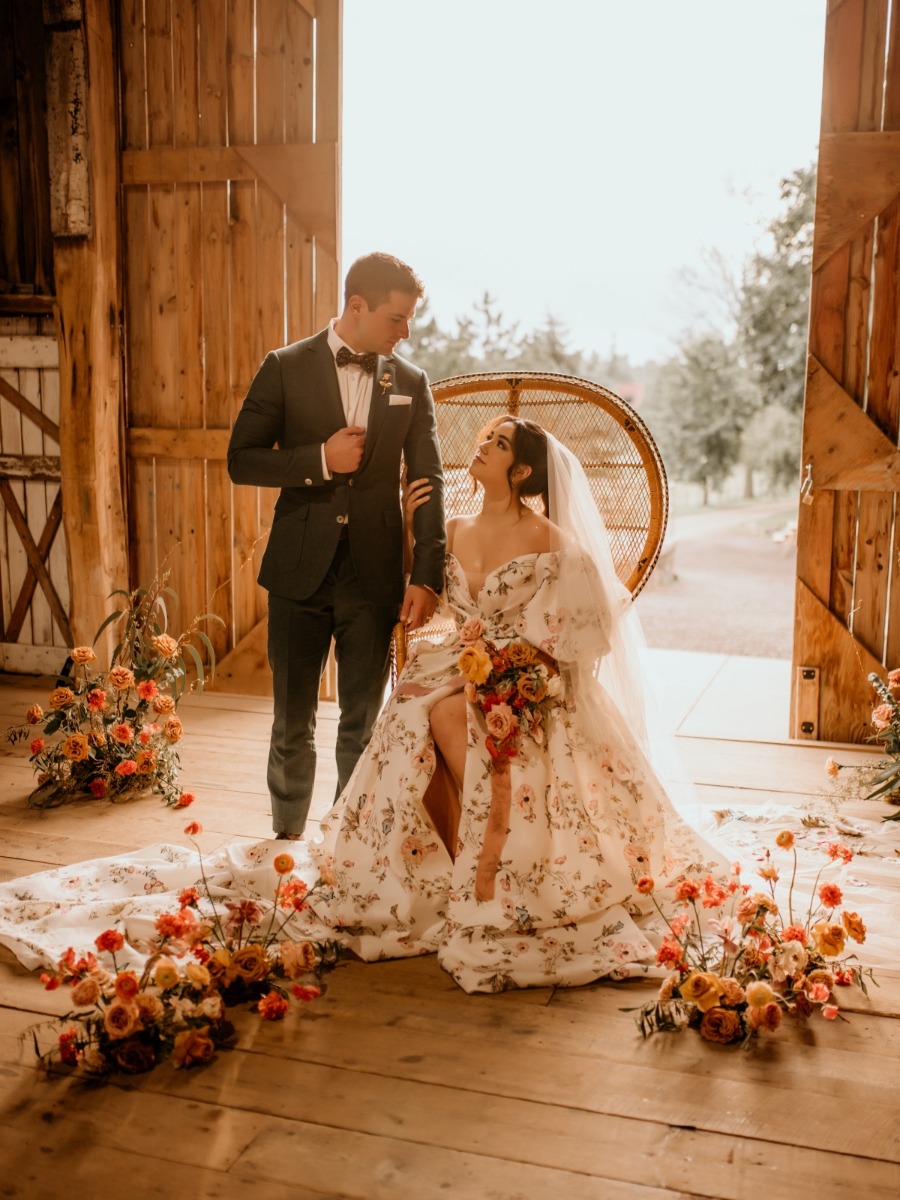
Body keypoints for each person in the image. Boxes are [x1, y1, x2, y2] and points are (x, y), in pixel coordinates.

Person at [0, 420, 729, 996]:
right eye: (481, 441)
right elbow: (432, 606)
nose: (481, 448)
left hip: (525, 678)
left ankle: (486, 874)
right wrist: (414, 536)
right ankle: (443, 870)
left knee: (441, 716)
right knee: (416, 713)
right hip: (455, 663)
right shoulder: (456, 531)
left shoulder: (554, 542)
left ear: (524, 472)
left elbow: (579, 641)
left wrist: (511, 673)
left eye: (498, 445)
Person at [227, 252, 446, 840]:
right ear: (357, 306)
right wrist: (320, 460)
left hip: (374, 578)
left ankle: (349, 849)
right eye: (397, 320)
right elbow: (240, 460)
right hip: (299, 571)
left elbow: (430, 480)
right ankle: (287, 840)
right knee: (291, 721)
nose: (406, 333)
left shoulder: (411, 382)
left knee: (362, 722)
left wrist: (426, 575)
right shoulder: (285, 366)